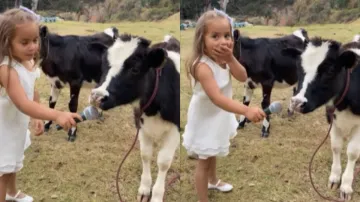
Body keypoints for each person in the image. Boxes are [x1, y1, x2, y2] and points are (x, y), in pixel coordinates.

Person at [182, 9, 266, 202]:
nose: (223, 41)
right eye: (215, 36)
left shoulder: (224, 59)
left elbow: (243, 76)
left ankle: (213, 180)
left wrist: (230, 58)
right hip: (205, 118)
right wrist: (246, 110)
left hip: (220, 115)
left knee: (213, 151)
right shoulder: (201, 66)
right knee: (204, 159)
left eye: (227, 35)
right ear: (201, 39)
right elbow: (217, 98)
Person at [0, 8, 82, 202]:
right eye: (24, 42)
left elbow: (32, 93)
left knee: (13, 163)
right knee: (2, 170)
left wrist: (37, 117)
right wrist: (56, 115)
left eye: (35, 41)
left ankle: (12, 193)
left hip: (16, 125)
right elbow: (22, 103)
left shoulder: (28, 64)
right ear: (6, 43)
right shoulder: (7, 69)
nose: (32, 47)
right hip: (4, 127)